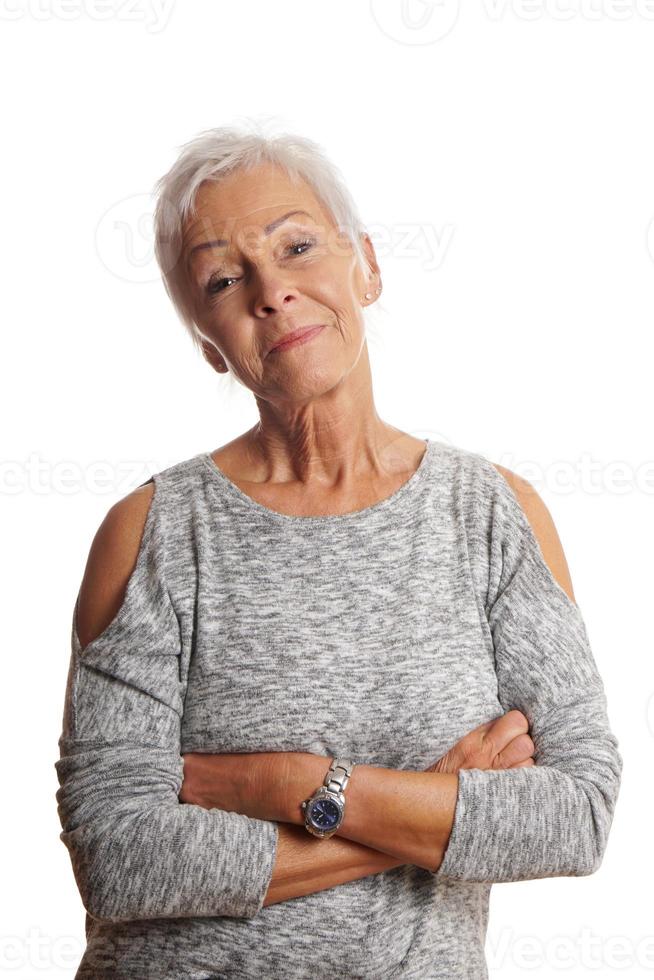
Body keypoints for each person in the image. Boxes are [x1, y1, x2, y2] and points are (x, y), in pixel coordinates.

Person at [55, 122, 623, 979]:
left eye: (297, 245)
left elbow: (575, 815)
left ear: (367, 265)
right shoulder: (153, 532)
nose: (273, 291)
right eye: (223, 277)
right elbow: (120, 860)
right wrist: (432, 807)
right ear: (209, 344)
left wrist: (287, 782)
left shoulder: (492, 515)